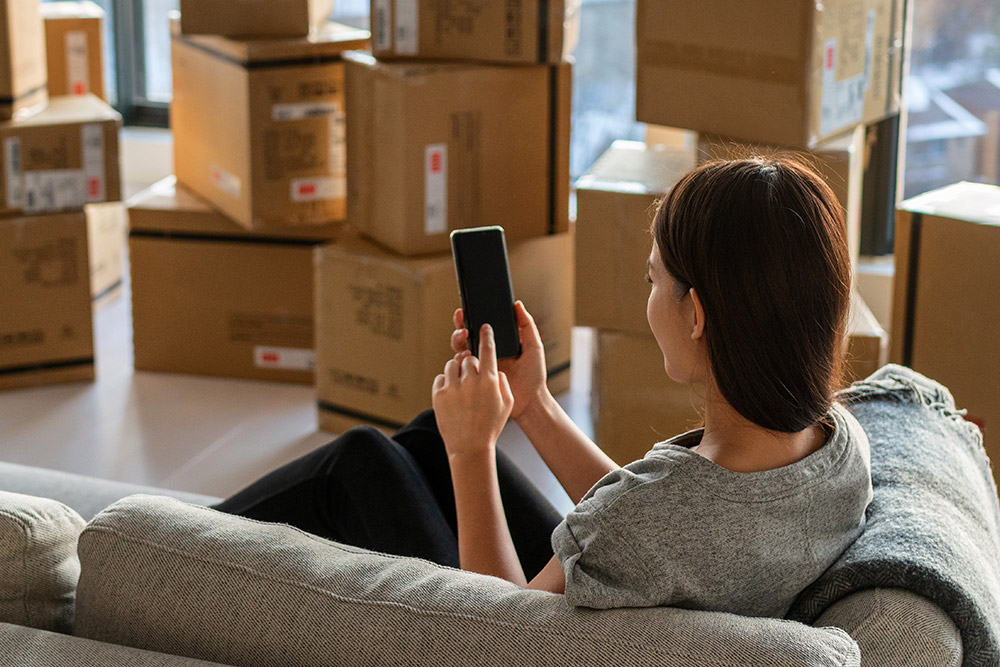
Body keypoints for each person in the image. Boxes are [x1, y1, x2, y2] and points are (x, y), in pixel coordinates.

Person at [215, 155, 873, 617]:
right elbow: (669, 518)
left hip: (517, 632)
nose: (648, 299)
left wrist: (472, 451)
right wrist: (532, 404)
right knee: (420, 440)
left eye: (652, 280)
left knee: (361, 460)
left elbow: (498, 630)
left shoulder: (646, 521)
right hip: (651, 589)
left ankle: (161, 548)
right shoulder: (839, 446)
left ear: (696, 314)